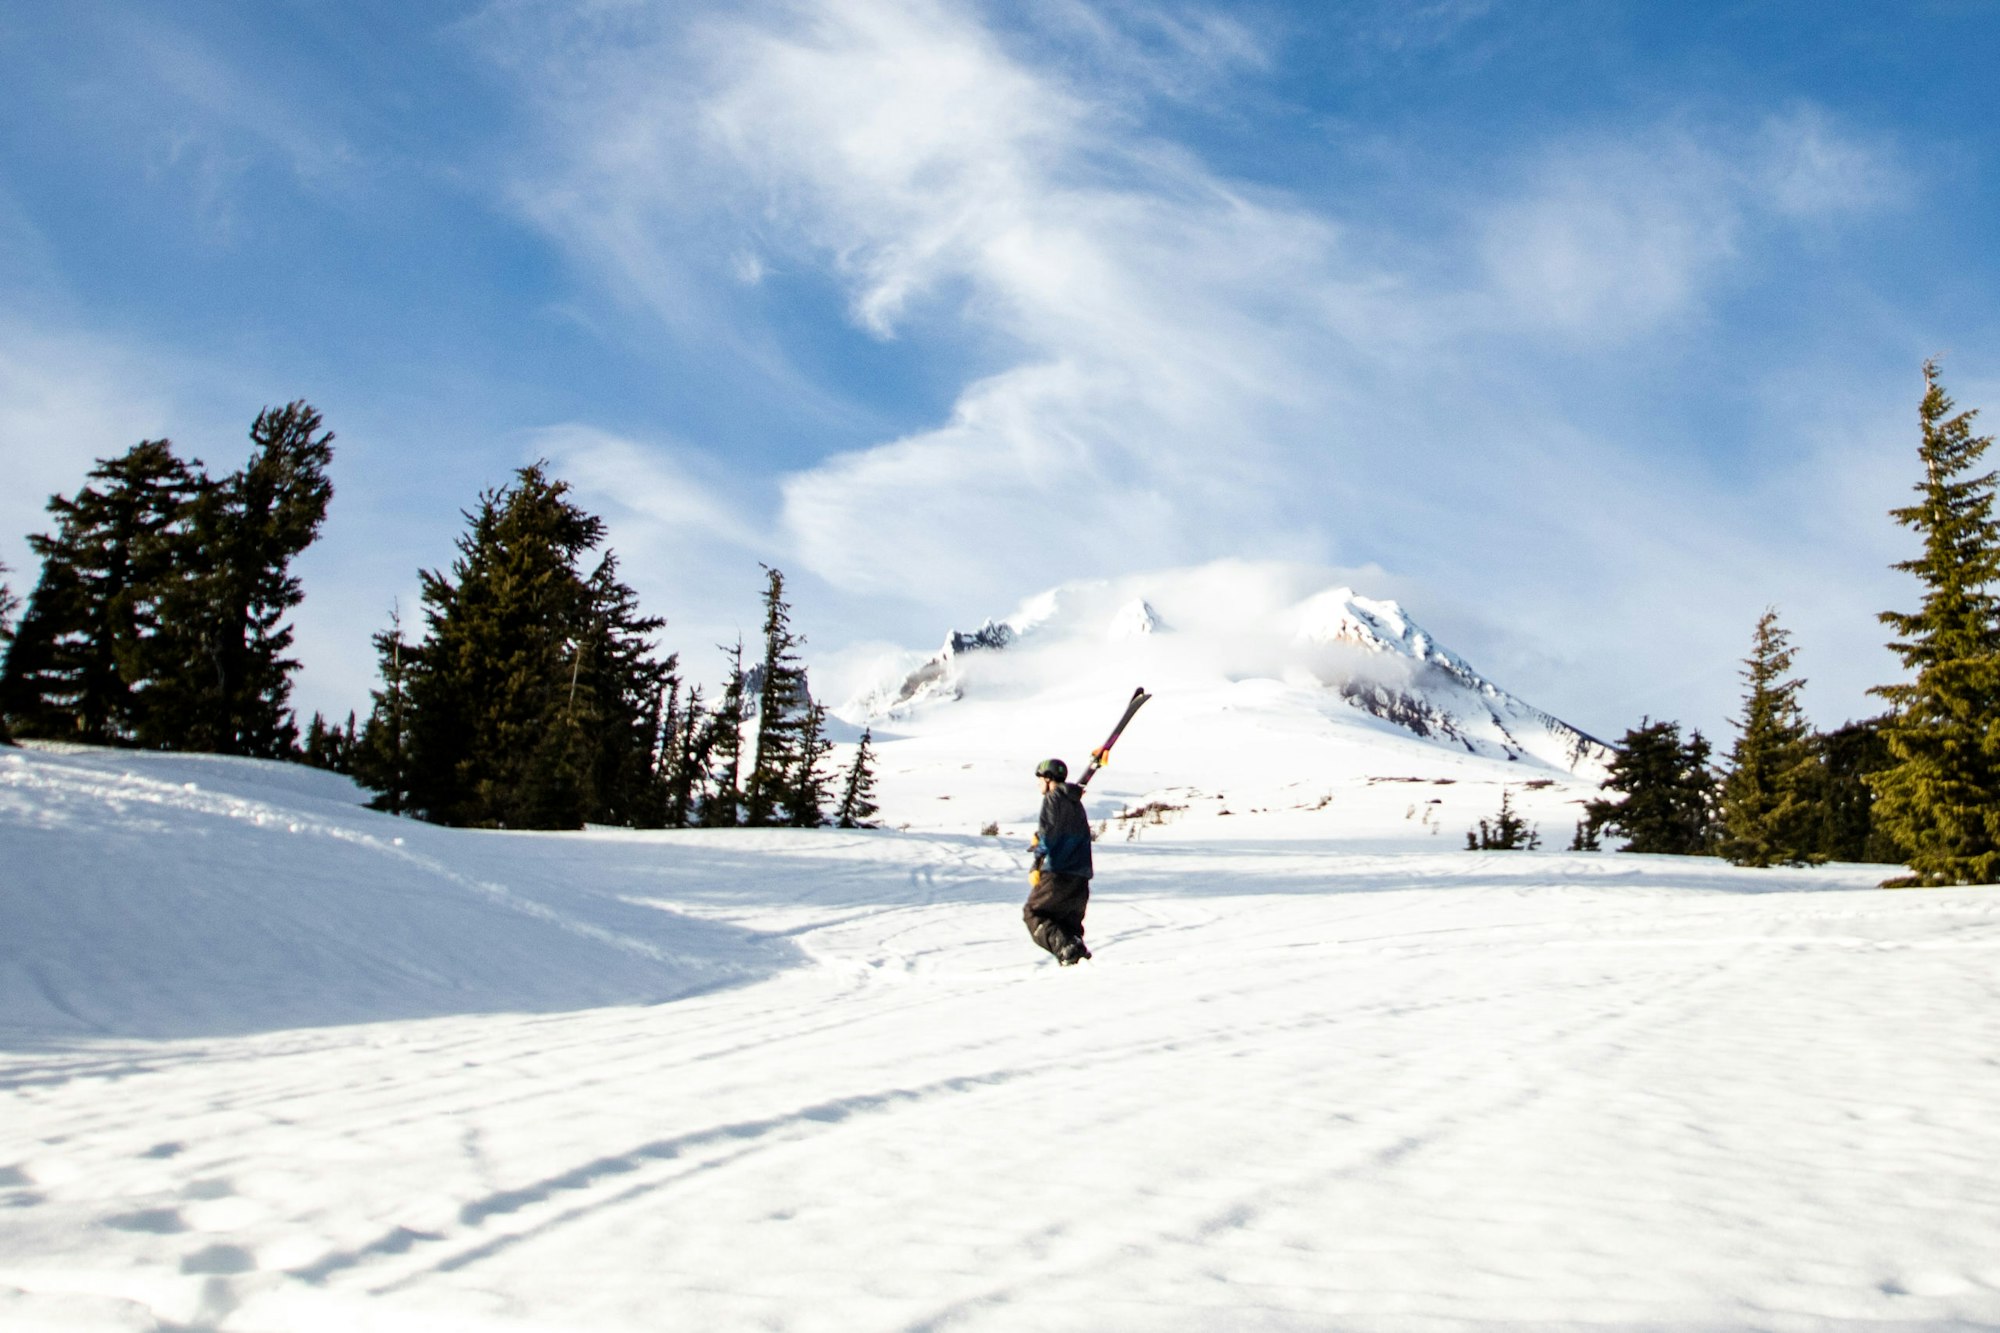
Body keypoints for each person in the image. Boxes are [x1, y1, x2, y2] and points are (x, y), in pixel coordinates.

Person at [1026, 757, 1093, 965]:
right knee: (1066, 924)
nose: (1038, 783)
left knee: (1034, 913)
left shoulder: (1053, 798)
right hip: (1080, 877)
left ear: (1048, 779)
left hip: (1058, 873)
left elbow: (1051, 835)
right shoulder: (1075, 802)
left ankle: (1067, 950)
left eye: (1039, 778)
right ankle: (1075, 955)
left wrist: (1038, 857)